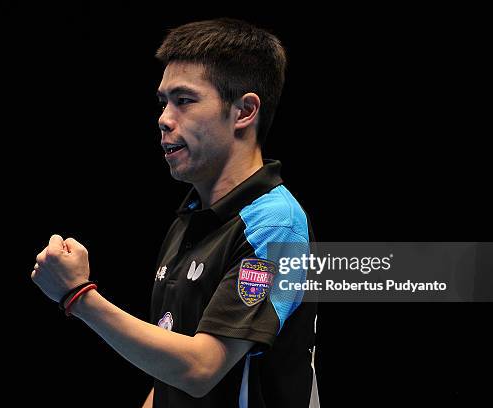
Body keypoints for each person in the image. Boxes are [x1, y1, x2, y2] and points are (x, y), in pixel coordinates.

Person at [31, 18, 318, 407]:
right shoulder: (193, 218)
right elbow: (172, 372)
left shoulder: (275, 225)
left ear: (244, 111)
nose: (164, 118)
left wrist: (77, 295)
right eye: (163, 101)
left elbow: (201, 369)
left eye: (184, 100)